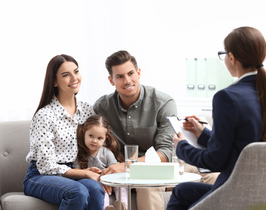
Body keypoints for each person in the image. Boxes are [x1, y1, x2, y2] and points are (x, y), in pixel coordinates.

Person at [167, 26, 266, 209]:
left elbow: (215, 161)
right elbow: (242, 145)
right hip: (262, 193)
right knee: (182, 191)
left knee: (181, 194)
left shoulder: (227, 97)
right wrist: (204, 133)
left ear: (232, 57)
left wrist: (181, 147)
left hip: (233, 194)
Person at [93, 50, 177, 210]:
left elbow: (166, 153)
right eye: (119, 76)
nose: (127, 80)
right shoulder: (102, 107)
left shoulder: (163, 103)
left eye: (131, 73)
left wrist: (126, 165)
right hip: (117, 171)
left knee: (146, 184)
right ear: (111, 80)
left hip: (155, 169)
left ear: (138, 73)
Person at [23, 54, 105, 210]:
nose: (74, 78)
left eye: (76, 71)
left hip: (74, 171)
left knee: (95, 189)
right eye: (66, 75)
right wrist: (85, 174)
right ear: (54, 81)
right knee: (78, 192)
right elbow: (46, 166)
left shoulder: (87, 110)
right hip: (40, 175)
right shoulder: (45, 115)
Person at [73, 115, 128, 210]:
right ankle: (106, 207)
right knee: (101, 189)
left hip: (108, 179)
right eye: (91, 136)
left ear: (105, 138)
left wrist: (107, 177)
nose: (94, 141)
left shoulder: (106, 153)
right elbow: (76, 170)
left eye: (99, 138)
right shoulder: (78, 152)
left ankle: (123, 205)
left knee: (121, 187)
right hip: (94, 181)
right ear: (84, 133)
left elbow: (114, 169)